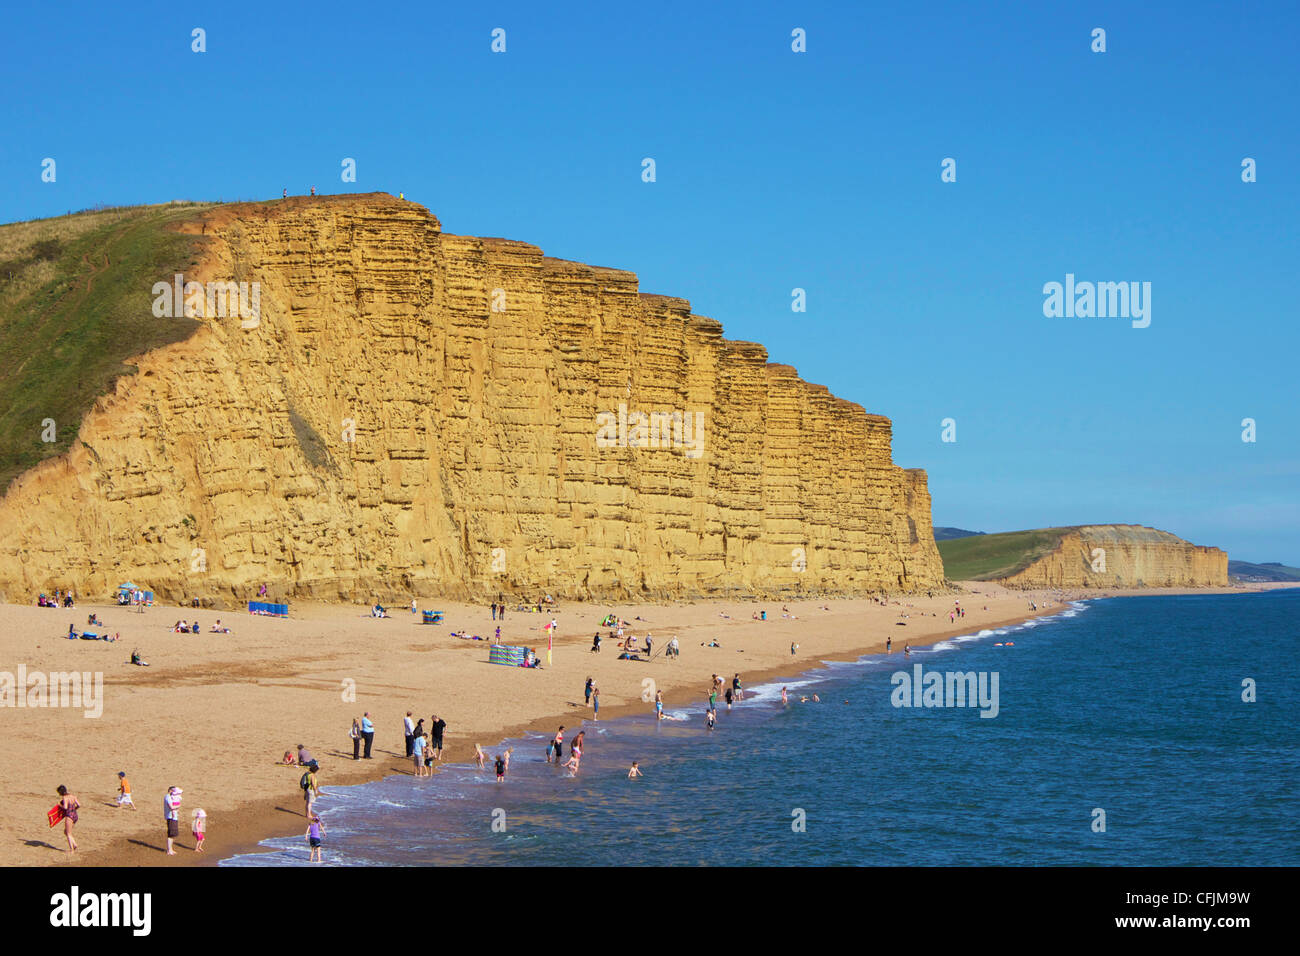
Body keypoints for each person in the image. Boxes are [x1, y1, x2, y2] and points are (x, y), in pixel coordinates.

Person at [56, 785, 79, 855]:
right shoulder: (73, 796)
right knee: (66, 832)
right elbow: (79, 805)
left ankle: (71, 849)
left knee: (68, 833)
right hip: (75, 815)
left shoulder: (65, 798)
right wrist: (74, 809)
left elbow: (65, 807)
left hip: (69, 816)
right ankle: (74, 844)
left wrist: (59, 805)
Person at [164, 786, 182, 855]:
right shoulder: (168, 797)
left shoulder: (171, 797)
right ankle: (169, 850)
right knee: (171, 834)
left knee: (173, 834)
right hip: (171, 817)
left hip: (173, 817)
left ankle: (170, 849)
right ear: (171, 791)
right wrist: (178, 806)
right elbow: (171, 807)